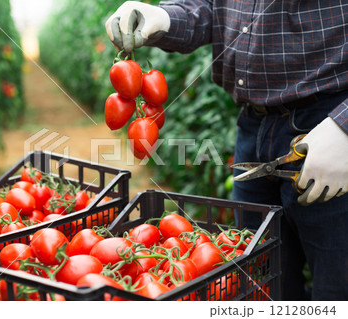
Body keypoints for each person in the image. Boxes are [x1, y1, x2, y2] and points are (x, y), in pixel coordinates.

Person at [105, 1, 348, 301]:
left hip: (329, 131)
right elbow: (210, 9)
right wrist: (166, 17)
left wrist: (344, 125)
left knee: (337, 291)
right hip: (251, 128)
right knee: (263, 286)